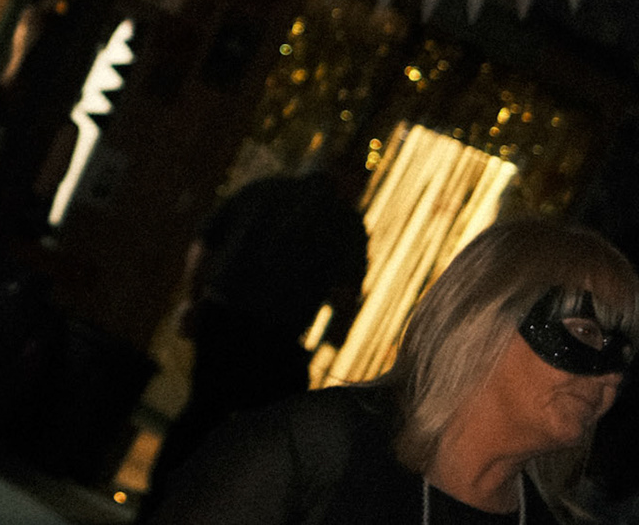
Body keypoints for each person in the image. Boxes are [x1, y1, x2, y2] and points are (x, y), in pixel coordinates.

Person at [149, 218, 638, 525]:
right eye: (585, 332)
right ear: (484, 317)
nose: (610, 374)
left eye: (624, 353)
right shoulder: (318, 450)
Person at [140, 167, 369, 516]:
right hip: (275, 337)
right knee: (264, 431)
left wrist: (194, 298)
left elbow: (204, 245)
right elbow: (345, 293)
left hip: (224, 316)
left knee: (202, 411)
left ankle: (159, 502)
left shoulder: (264, 192)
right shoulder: (342, 222)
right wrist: (333, 336)